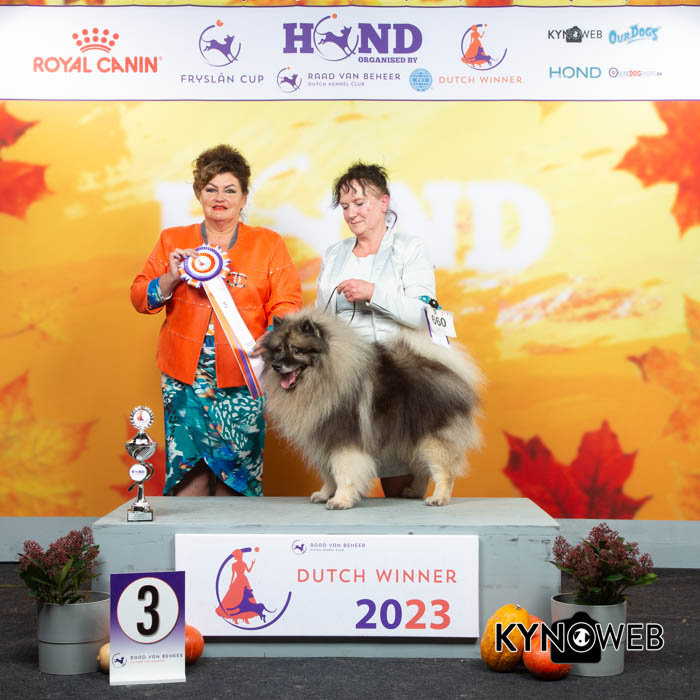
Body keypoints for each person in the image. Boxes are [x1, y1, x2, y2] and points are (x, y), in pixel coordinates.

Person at [131, 145, 302, 497]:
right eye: (211, 189)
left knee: (234, 486)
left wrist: (273, 335)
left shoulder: (269, 244)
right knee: (188, 482)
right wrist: (171, 277)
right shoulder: (172, 240)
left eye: (229, 190)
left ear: (244, 198)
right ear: (199, 194)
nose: (219, 198)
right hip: (183, 380)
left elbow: (288, 301)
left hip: (243, 376)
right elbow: (139, 297)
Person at [315, 162, 436, 496]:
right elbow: (321, 317)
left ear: (384, 202)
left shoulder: (410, 249)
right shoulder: (335, 255)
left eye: (359, 203)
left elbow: (424, 315)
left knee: (398, 479)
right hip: (343, 382)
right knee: (343, 472)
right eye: (345, 206)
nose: (351, 213)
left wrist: (373, 293)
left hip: (394, 379)